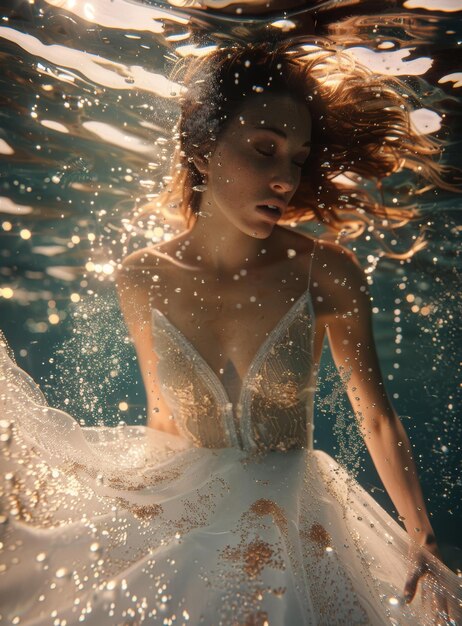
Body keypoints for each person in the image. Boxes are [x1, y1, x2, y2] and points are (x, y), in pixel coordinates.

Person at [0, 40, 460, 626]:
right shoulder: (141, 276)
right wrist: (118, 502)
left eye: (297, 159)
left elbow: (374, 415)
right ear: (202, 149)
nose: (284, 180)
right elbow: (163, 417)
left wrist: (424, 541)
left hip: (299, 519)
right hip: (188, 515)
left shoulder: (327, 272)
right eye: (265, 150)